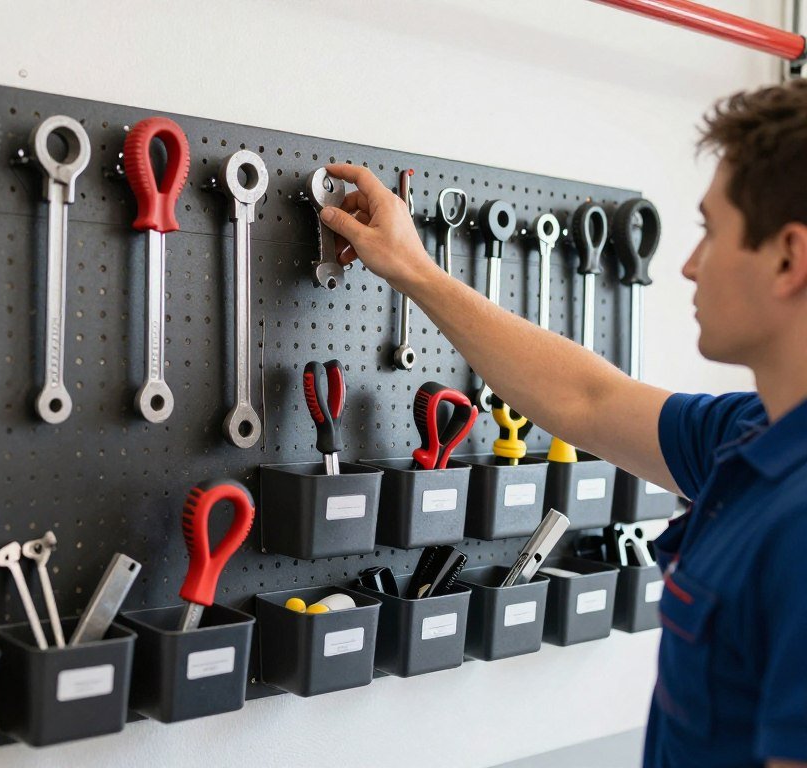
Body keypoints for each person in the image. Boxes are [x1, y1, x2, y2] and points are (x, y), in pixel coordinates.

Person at [318, 78, 807, 768]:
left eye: (711, 231)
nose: (690, 266)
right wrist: (415, 270)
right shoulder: (748, 440)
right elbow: (588, 399)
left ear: (789, 258)